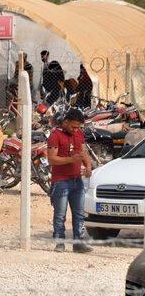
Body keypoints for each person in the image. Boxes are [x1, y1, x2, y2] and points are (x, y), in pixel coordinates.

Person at [47, 108, 93, 253]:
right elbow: (52, 159)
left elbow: (83, 150)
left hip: (77, 180)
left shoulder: (79, 133)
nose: (75, 130)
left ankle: (78, 243)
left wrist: (88, 166)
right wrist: (71, 160)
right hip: (61, 181)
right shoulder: (55, 135)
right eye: (73, 126)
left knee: (79, 214)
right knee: (60, 214)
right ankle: (60, 243)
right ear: (65, 122)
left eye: (78, 127)